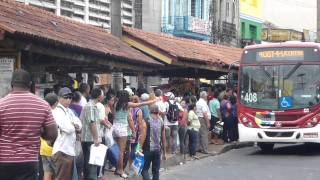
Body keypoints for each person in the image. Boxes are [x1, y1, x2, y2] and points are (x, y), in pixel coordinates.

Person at [0, 69, 57, 180]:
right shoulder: (43, 105)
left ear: (12, 84)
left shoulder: (1, 105)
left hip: (4, 161)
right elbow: (52, 134)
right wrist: (39, 132)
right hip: (29, 161)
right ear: (30, 85)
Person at [52, 87, 82, 180]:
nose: (68, 100)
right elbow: (68, 128)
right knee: (62, 177)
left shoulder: (69, 111)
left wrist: (75, 125)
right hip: (62, 150)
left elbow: (80, 124)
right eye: (66, 97)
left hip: (69, 150)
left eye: (70, 97)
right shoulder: (57, 111)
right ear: (59, 98)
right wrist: (74, 125)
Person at [80, 88, 104, 180]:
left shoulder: (91, 106)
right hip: (90, 139)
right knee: (92, 162)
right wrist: (96, 138)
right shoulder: (90, 106)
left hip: (88, 138)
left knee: (88, 161)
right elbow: (92, 122)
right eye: (102, 95)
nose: (103, 96)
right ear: (99, 96)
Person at [141, 104, 166, 180]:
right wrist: (164, 152)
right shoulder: (161, 121)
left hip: (147, 149)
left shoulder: (146, 120)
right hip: (157, 150)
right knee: (156, 171)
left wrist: (139, 147)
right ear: (157, 111)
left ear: (149, 110)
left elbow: (143, 136)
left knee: (144, 170)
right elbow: (163, 138)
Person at [113, 90, 134, 178]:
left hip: (115, 127)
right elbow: (139, 104)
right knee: (121, 152)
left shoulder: (115, 104)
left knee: (117, 151)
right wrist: (151, 101)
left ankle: (117, 168)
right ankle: (120, 171)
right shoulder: (126, 105)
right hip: (122, 128)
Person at [40, 93, 59, 180]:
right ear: (55, 103)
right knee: (57, 173)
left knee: (47, 172)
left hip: (43, 148)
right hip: (52, 149)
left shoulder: (42, 112)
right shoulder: (54, 114)